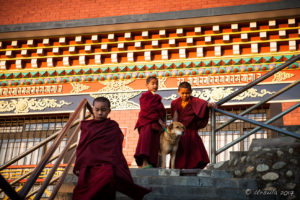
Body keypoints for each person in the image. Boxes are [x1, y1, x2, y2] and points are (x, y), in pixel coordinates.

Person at [72, 97, 151, 200]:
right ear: (93, 109)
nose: (100, 113)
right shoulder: (87, 126)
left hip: (106, 163)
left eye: (103, 110)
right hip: (89, 165)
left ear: (109, 111)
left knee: (108, 175)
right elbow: (82, 147)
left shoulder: (112, 126)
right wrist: (79, 164)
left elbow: (115, 148)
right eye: (97, 109)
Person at [171, 82, 217, 169]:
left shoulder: (194, 101)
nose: (185, 95)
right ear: (178, 92)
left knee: (195, 154)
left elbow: (203, 104)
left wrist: (209, 105)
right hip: (179, 133)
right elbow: (174, 117)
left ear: (191, 92)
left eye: (187, 93)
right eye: (183, 93)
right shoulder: (174, 103)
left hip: (191, 132)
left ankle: (194, 169)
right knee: (180, 153)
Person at [134, 76, 166, 168]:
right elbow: (147, 110)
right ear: (147, 85)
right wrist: (158, 119)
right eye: (152, 83)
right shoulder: (144, 97)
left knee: (153, 144)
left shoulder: (157, 98)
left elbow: (161, 111)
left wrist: (161, 120)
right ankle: (144, 163)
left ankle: (150, 163)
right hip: (146, 123)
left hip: (155, 126)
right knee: (145, 144)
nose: (155, 85)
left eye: (156, 84)